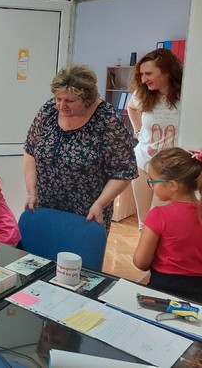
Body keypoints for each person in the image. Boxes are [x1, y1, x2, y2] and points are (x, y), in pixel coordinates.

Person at [24, 65, 137, 232]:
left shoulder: (107, 119)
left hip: (88, 212)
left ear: (87, 98)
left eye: (70, 101)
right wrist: (32, 193)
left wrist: (100, 204)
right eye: (58, 98)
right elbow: (30, 151)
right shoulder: (49, 111)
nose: (61, 105)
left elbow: (124, 172)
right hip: (46, 207)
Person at [133, 147, 202, 303]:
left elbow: (141, 262)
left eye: (152, 181)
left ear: (172, 185)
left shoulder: (159, 215)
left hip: (163, 292)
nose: (151, 186)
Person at [127, 48, 182, 230]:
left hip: (171, 169)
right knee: (144, 221)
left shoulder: (186, 97)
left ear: (167, 71)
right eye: (141, 74)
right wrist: (138, 130)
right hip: (143, 163)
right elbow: (131, 107)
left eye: (148, 74)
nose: (143, 79)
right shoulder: (142, 94)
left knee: (159, 221)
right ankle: (143, 250)